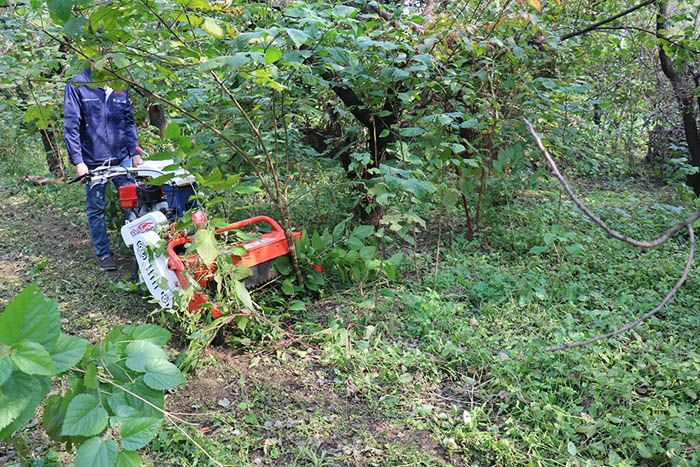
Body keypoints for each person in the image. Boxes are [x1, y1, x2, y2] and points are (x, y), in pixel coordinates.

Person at [63, 67, 144, 271]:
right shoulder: (77, 85)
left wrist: (134, 151)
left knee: (133, 202)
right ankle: (104, 253)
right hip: (93, 161)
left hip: (122, 156)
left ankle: (137, 250)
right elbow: (71, 127)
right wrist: (78, 163)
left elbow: (128, 121)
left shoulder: (119, 83)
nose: (106, 57)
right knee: (96, 208)